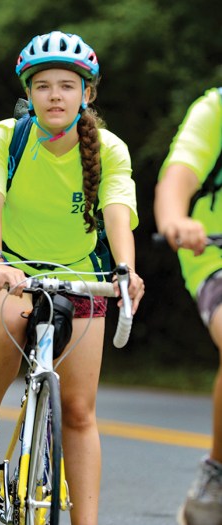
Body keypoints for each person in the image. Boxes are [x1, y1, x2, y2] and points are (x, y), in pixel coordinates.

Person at [0, 31, 144, 524]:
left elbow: (118, 212)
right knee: (13, 321)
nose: (55, 95)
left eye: (67, 85)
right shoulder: (4, 136)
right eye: (42, 85)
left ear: (87, 93)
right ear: (29, 93)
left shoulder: (109, 149)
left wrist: (126, 271)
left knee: (79, 412)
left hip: (81, 277)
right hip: (13, 269)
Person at [154, 86, 222, 525]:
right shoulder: (216, 108)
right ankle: (217, 471)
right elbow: (176, 179)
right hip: (214, 254)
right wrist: (176, 219)